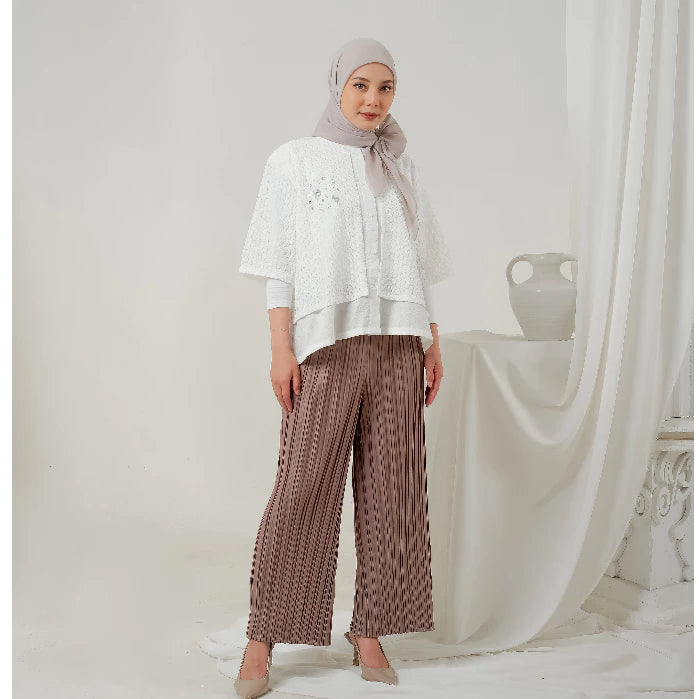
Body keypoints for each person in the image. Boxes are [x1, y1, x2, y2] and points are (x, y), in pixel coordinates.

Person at [234, 37, 453, 697]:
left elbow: (418, 260)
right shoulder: (295, 161)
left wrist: (430, 337)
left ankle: (370, 629)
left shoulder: (400, 163)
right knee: (302, 489)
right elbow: (277, 263)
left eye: (385, 87)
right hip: (325, 345)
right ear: (337, 86)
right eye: (360, 85)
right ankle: (262, 636)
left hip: (397, 343)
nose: (372, 100)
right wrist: (281, 349)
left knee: (393, 493)